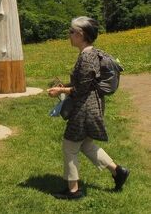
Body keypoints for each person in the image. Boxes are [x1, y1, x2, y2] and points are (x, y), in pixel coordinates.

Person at [47, 16, 129, 200]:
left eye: (71, 32)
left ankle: (73, 191)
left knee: (69, 146)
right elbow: (86, 83)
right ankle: (118, 172)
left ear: (80, 34)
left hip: (84, 109)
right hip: (93, 106)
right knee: (85, 144)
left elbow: (81, 89)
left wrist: (60, 90)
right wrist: (64, 86)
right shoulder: (93, 53)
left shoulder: (86, 57)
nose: (69, 35)